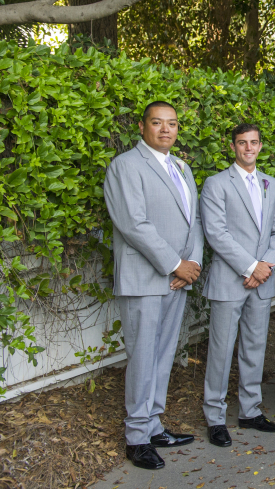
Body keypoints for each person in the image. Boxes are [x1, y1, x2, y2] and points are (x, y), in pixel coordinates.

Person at [102, 101, 203, 470]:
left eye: (172, 124)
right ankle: (136, 437)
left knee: (162, 355)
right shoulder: (125, 166)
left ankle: (154, 425)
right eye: (157, 123)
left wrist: (191, 266)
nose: (166, 130)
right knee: (143, 357)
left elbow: (194, 222)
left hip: (177, 281)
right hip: (145, 279)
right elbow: (133, 224)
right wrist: (176, 264)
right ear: (142, 127)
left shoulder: (182, 167)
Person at [200, 123, 275, 447]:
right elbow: (216, 233)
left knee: (255, 349)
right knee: (221, 351)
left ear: (260, 146)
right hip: (230, 281)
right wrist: (251, 266)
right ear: (233, 146)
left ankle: (250, 411)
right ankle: (215, 417)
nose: (248, 148)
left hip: (261, 283)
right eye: (242, 143)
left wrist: (265, 266)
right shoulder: (216, 184)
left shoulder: (273, 185)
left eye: (253, 142)